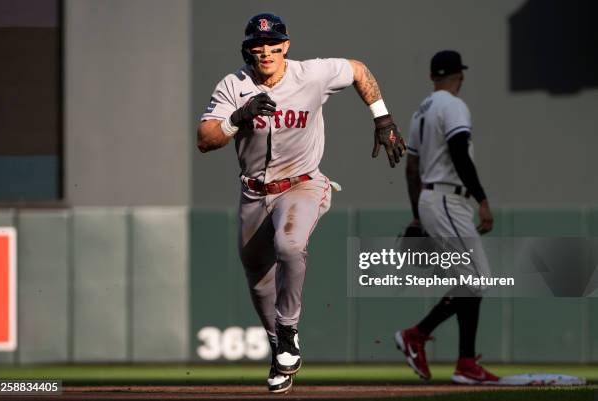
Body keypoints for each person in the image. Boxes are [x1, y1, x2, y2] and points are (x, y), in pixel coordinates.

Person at [197, 13, 406, 393]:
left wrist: (382, 116)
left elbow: (358, 70)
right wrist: (236, 119)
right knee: (258, 277)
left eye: (273, 44)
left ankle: (289, 329)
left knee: (289, 244)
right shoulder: (234, 85)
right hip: (254, 192)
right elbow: (205, 138)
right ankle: (279, 345)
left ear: (285, 46)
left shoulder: (312, 74)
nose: (265, 51)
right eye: (257, 46)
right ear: (248, 49)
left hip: (302, 184)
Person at [395, 50, 499, 384]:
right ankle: (419, 336)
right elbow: (458, 152)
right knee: (476, 278)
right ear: (460, 75)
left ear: (431, 76)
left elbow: (411, 168)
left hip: (431, 197)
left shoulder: (420, 111)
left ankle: (465, 362)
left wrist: (416, 215)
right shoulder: (454, 105)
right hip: (446, 198)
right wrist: (482, 199)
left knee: (471, 280)